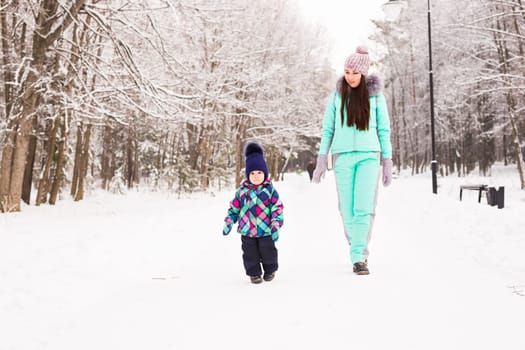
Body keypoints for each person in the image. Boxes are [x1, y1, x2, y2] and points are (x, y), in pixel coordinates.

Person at [312, 46, 393, 275]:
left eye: (355, 73)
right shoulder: (337, 96)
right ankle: (356, 243)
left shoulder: (376, 98)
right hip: (342, 157)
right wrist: (321, 159)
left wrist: (386, 160)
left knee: (363, 207)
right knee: (346, 209)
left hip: (369, 156)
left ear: (364, 74)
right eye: (347, 71)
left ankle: (359, 255)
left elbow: (384, 130)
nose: (350, 76)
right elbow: (328, 129)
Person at [222, 141, 284, 284]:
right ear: (248, 175)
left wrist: (275, 223)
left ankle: (270, 270)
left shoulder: (270, 191)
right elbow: (234, 208)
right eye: (253, 173)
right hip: (247, 230)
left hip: (266, 229)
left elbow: (277, 208)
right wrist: (230, 220)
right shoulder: (242, 192)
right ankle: (254, 273)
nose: (256, 176)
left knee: (268, 251)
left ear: (265, 173)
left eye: (259, 173)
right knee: (250, 254)